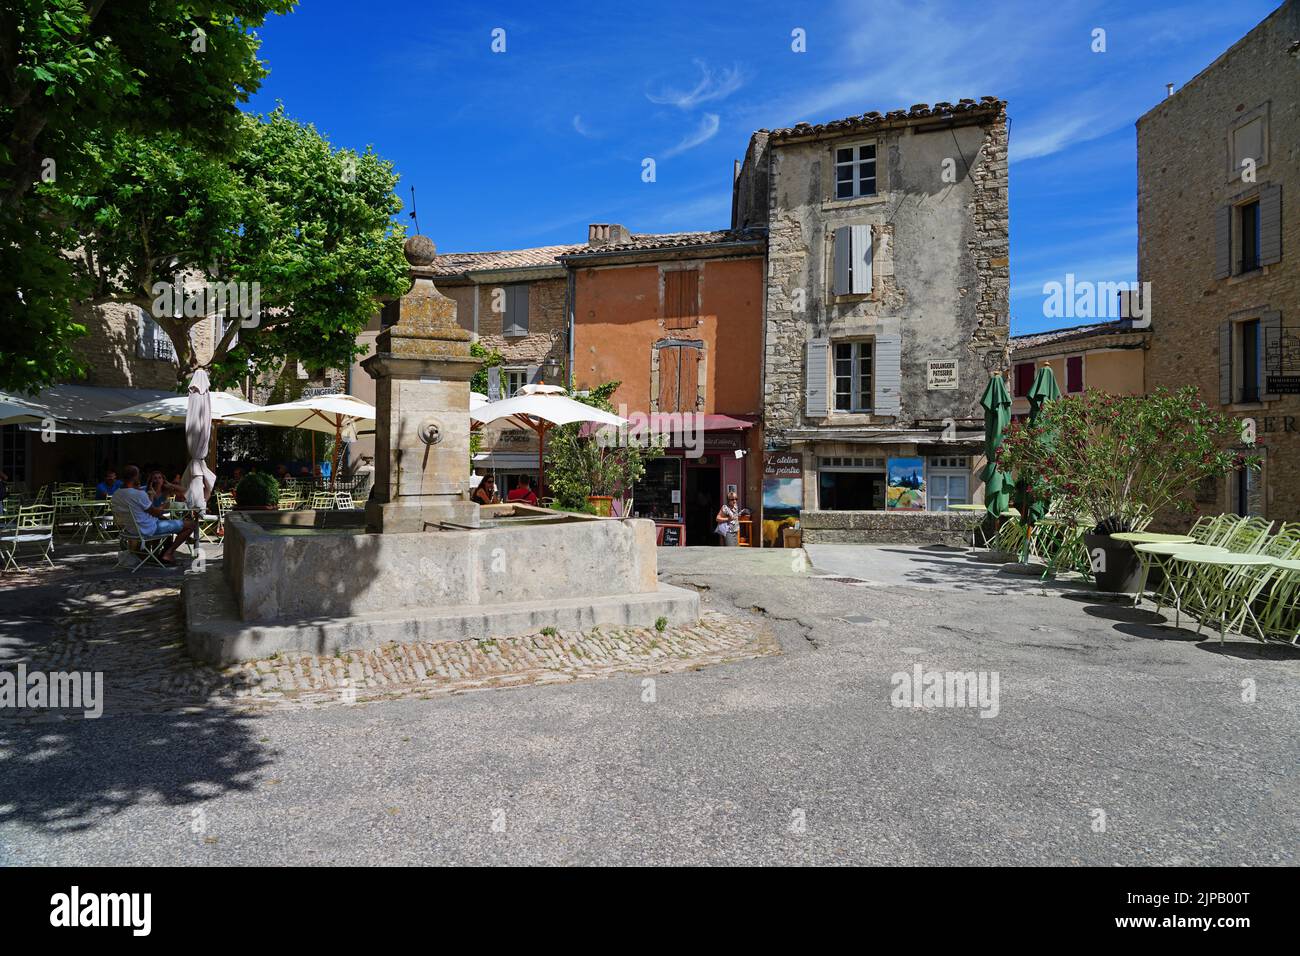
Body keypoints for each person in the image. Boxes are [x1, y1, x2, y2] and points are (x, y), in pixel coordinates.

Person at [111, 465, 196, 565]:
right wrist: (165, 505)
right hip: (148, 528)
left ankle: (159, 553)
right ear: (135, 477)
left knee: (166, 522)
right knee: (191, 524)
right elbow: (156, 513)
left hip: (130, 530)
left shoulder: (116, 494)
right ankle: (168, 553)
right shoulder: (139, 494)